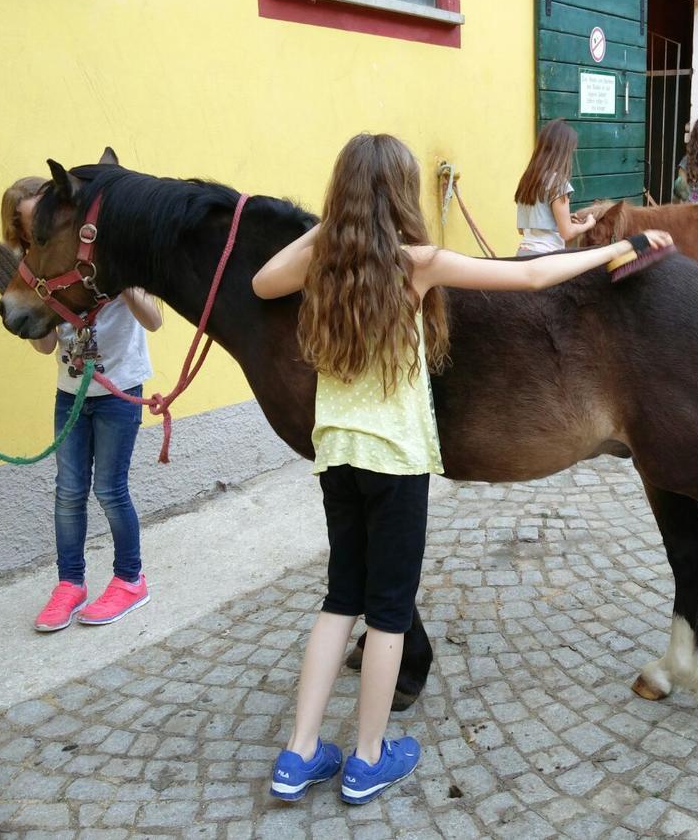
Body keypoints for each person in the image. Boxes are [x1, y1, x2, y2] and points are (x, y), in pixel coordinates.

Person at [251, 133, 672, 805]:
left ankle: (298, 754)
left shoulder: (320, 267)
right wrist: (621, 246)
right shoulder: (418, 263)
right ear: (401, 194)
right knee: (388, 612)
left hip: (336, 457)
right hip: (395, 463)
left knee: (341, 599)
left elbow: (259, 280)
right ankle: (365, 758)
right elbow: (532, 278)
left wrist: (330, 227)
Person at [2, 178, 164, 631]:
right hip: (70, 394)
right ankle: (70, 583)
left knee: (111, 490)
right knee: (68, 493)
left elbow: (153, 320)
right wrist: (34, 311)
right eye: (30, 224)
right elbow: (44, 346)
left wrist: (126, 281)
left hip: (118, 393)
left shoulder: (107, 257)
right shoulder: (40, 266)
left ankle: (130, 580)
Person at [514, 118, 596, 255]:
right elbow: (567, 233)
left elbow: (522, 230)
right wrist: (588, 224)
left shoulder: (528, 181)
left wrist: (562, 218)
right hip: (546, 258)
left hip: (523, 254)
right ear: (563, 151)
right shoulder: (558, 184)